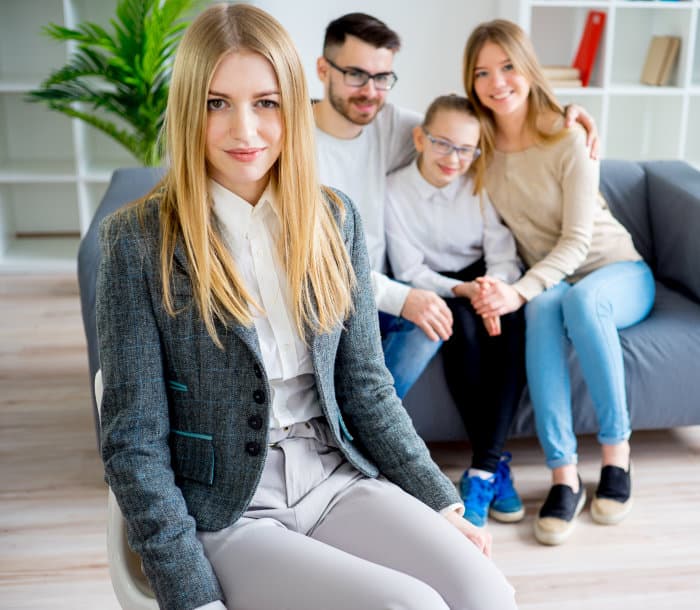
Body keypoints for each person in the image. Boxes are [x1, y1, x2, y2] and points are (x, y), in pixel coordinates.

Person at [96, 4, 518, 610]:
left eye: (266, 102)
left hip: (333, 476)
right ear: (190, 107)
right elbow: (133, 444)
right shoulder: (136, 241)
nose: (245, 130)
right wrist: (190, 594)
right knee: (410, 606)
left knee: (485, 594)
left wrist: (440, 502)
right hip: (229, 509)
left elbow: (368, 388)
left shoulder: (334, 219)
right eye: (218, 103)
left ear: (293, 105)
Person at [313, 12, 598, 399]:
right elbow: (320, 264)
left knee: (436, 319)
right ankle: (349, 433)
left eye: (383, 78)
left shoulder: (391, 123)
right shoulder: (296, 143)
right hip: (332, 301)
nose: (370, 91)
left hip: (382, 299)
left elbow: (467, 128)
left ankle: (363, 434)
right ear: (323, 70)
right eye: (356, 75)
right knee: (420, 311)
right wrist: (405, 296)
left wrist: (566, 115)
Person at [462, 19, 655, 546]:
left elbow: (574, 243)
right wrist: (525, 291)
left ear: (528, 69)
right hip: (552, 285)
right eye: (482, 73)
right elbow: (429, 128)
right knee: (548, 309)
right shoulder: (480, 146)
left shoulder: (568, 135)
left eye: (507, 67)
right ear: (470, 82)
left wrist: (519, 289)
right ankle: (563, 474)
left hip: (615, 271)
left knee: (582, 302)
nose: (496, 82)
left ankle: (618, 456)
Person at [385, 94, 526, 528]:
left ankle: (484, 467)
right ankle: (492, 463)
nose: (454, 158)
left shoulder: (480, 184)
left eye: (466, 149)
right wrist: (461, 290)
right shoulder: (395, 191)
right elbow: (410, 269)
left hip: (484, 277)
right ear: (420, 139)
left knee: (511, 321)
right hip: (437, 284)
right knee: (459, 327)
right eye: (444, 144)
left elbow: (503, 254)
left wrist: (491, 288)